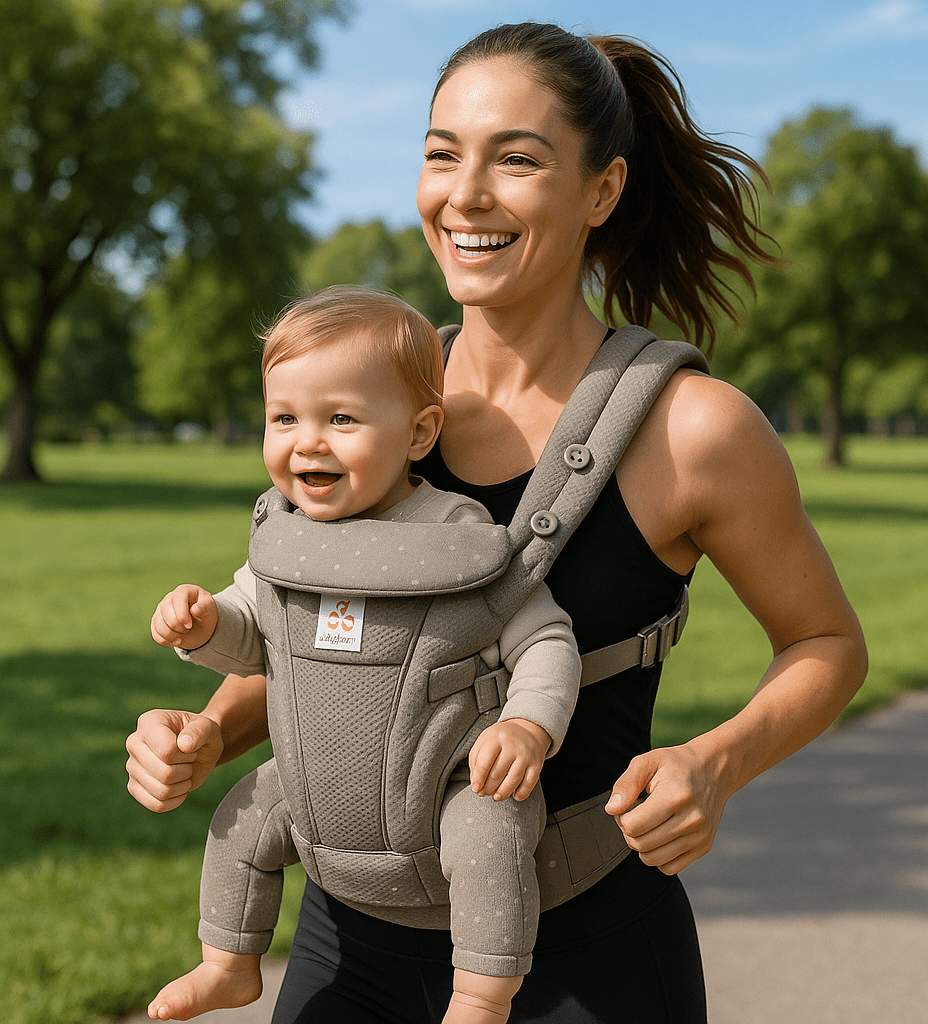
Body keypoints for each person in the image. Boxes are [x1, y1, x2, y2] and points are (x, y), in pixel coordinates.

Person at [127, 22, 868, 1023]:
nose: (464, 194)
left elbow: (826, 644)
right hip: (353, 942)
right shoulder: (372, 407)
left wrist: (714, 762)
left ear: (599, 191)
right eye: (442, 153)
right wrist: (207, 731)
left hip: (588, 954)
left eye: (515, 160)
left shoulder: (693, 428)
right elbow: (317, 637)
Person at [144, 285, 581, 1024]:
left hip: (443, 789)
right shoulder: (289, 535)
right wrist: (203, 623)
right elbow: (255, 633)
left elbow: (544, 638)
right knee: (241, 815)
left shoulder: (455, 535)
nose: (306, 442)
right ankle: (227, 961)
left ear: (418, 433)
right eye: (284, 418)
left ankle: (480, 995)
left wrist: (527, 727)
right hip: (316, 791)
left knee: (491, 837)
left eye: (340, 419)